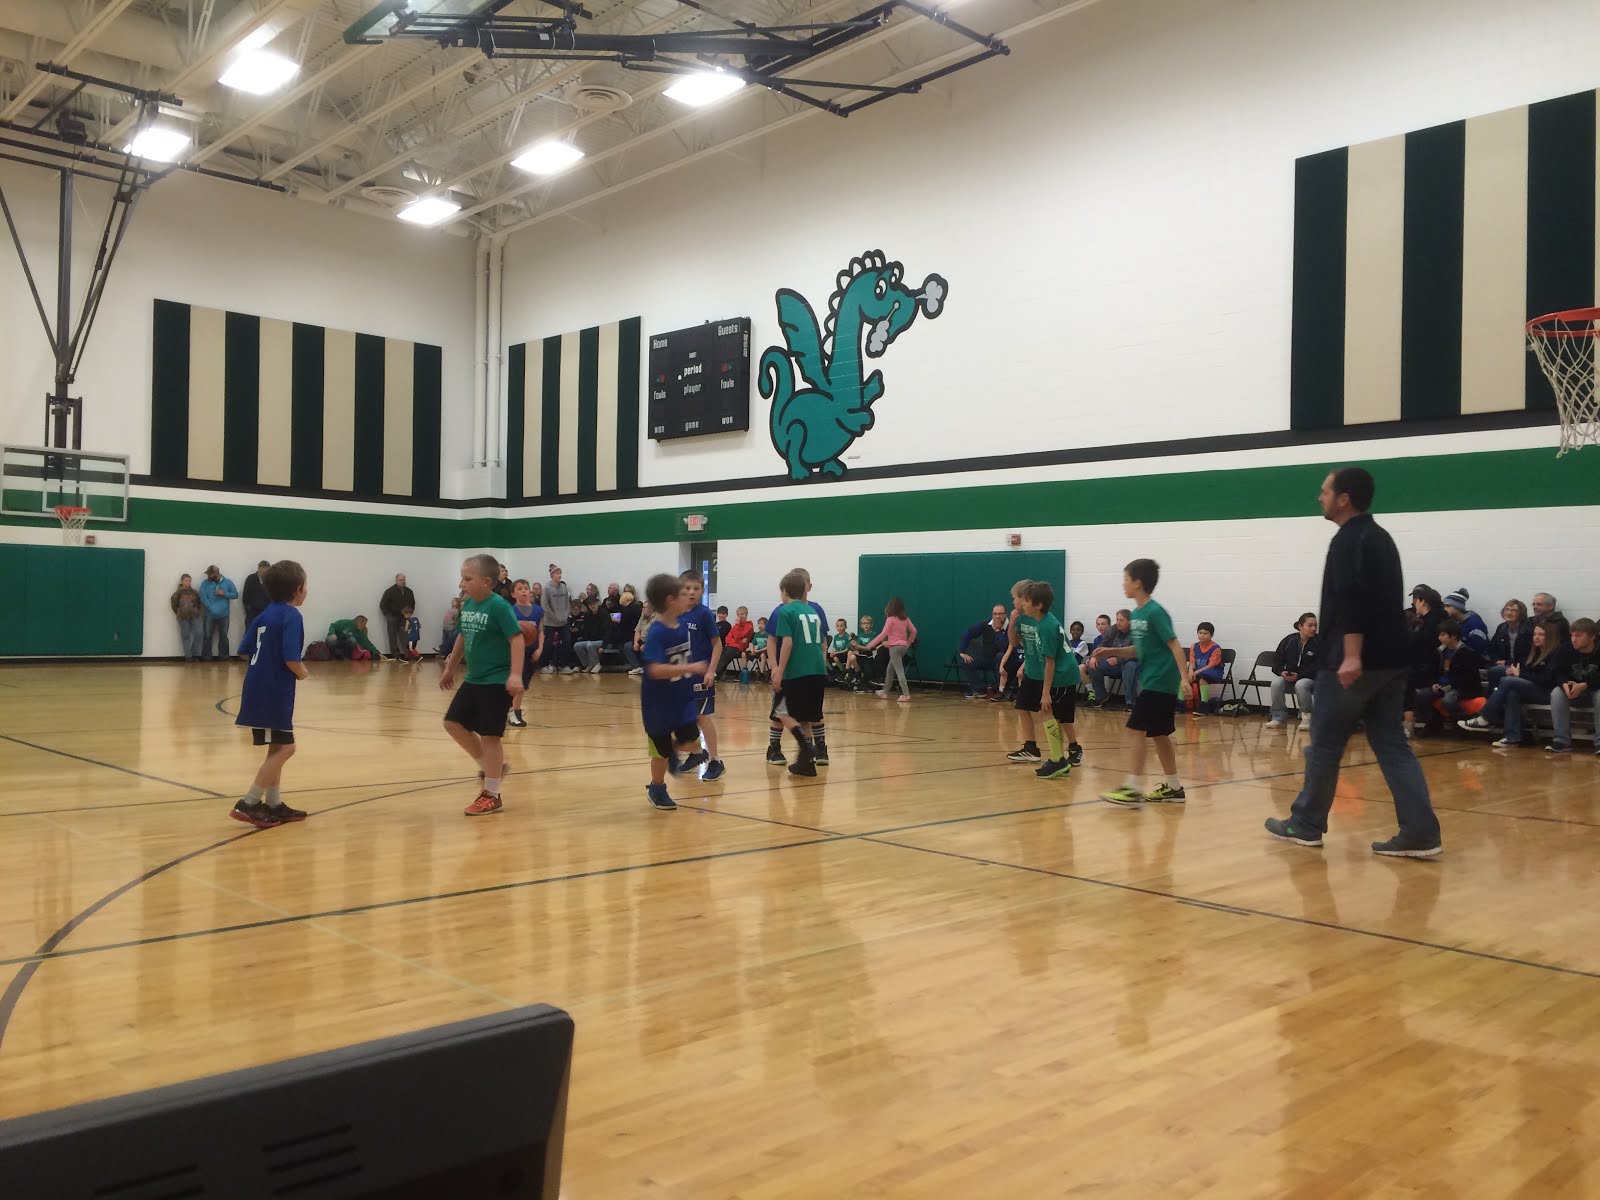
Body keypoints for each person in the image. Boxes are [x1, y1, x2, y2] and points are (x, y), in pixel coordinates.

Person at [1264, 467, 1442, 857]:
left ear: (1344, 498)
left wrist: (1351, 654)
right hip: (1392, 662)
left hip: (1354, 663)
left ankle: (1306, 823)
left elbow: (1353, 599)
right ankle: (1421, 832)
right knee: (1393, 745)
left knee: (1325, 747)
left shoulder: (1348, 540)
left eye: (1324, 491)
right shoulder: (1380, 537)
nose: (1319, 497)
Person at [1092, 560, 1190, 807]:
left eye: (1126, 579)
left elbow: (1175, 645)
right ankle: (1174, 788)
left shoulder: (1156, 612)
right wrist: (1112, 652)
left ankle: (1133, 788)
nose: (1123, 584)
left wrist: (1185, 679)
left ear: (1138, 583)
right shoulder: (1135, 615)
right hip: (1152, 680)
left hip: (1162, 680)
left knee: (1136, 729)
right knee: (1159, 734)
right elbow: (1140, 649)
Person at [440, 554, 525, 816]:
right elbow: (462, 638)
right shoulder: (468, 605)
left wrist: (515, 675)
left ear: (487, 582)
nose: (462, 583)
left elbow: (517, 639)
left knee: (490, 736)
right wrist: (450, 667)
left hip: (496, 680)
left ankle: (492, 794)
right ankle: (491, 768)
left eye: (468, 578)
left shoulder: (499, 606)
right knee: (452, 722)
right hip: (474, 678)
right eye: (462, 578)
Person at [229, 560, 310, 829]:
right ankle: (249, 802)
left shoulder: (263, 615)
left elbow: (244, 649)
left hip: (260, 687)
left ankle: (273, 804)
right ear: (298, 589)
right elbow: (291, 659)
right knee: (287, 747)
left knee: (277, 747)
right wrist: (303, 673)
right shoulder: (291, 616)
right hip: (272, 692)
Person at [639, 574, 710, 810]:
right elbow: (654, 670)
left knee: (691, 740)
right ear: (671, 600)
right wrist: (690, 667)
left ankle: (672, 752)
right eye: (682, 594)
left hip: (681, 699)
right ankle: (657, 788)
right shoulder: (658, 632)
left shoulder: (681, 626)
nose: (688, 597)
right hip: (658, 704)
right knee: (659, 753)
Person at [1007, 580, 1082, 778]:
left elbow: (1050, 662)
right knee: (1048, 715)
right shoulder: (1042, 622)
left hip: (1062, 676)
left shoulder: (1046, 627)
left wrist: (1045, 691)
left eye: (1026, 601)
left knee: (1048, 713)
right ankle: (1058, 760)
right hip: (1058, 675)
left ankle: (1059, 760)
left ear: (1037, 605)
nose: (1022, 604)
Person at [1459, 620, 1559, 747]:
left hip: (1548, 691)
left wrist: (1520, 675)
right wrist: (1515, 671)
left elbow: (1547, 680)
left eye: (1541, 634)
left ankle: (1485, 717)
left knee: (1508, 681)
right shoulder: (1535, 651)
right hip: (1533, 686)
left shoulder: (1555, 654)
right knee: (1509, 687)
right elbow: (1525, 667)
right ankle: (1512, 736)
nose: (1536, 637)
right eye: (1535, 634)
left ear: (1550, 637)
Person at [766, 568, 829, 766]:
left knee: (780, 711)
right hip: (818, 671)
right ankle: (807, 762)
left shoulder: (785, 610)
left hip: (796, 671)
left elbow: (787, 643)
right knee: (806, 717)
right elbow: (822, 643)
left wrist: (778, 670)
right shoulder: (813, 611)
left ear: (784, 591)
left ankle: (804, 746)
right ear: (804, 590)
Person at [680, 570, 726, 780]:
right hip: (681, 676)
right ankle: (697, 753)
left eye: (696, 589)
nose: (691, 593)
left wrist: (710, 670)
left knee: (701, 717)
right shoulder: (675, 613)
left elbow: (717, 645)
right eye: (687, 588)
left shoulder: (704, 614)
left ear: (702, 590)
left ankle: (716, 761)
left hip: (701, 675)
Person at [1413, 619, 1486, 737]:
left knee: (1449, 699)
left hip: (1463, 688)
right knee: (1421, 694)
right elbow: (1432, 671)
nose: (1439, 638)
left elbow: (1466, 679)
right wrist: (1434, 683)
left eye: (1442, 635)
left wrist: (1445, 687)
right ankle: (1434, 722)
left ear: (1453, 636)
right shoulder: (1439, 652)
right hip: (1444, 686)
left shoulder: (1467, 653)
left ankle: (1461, 724)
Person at [1545, 618, 1600, 755]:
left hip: (1594, 690)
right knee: (1557, 693)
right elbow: (1557, 672)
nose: (1574, 639)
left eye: (1579, 635)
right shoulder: (1566, 648)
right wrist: (1564, 684)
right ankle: (1561, 741)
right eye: (1572, 635)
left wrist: (1585, 685)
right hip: (1573, 691)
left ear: (1592, 637)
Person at [1403, 585, 1444, 738]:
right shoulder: (1430, 620)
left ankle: (1408, 726)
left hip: (1429, 669)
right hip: (1422, 665)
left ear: (1422, 601)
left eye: (1415, 600)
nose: (1413, 604)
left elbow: (1424, 647)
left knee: (1405, 680)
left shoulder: (1431, 623)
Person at [1268, 612, 1320, 729]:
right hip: (1291, 677)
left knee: (1301, 684)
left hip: (1313, 679)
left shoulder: (1320, 642)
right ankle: (1278, 717)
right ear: (1300, 626)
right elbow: (1277, 661)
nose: (1313, 628)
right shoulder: (1289, 640)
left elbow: (1319, 666)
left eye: (1315, 626)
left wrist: (1300, 675)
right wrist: (1282, 672)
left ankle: (1306, 718)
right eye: (1310, 625)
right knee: (1276, 683)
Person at [863, 596, 918, 703]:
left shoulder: (890, 619)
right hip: (903, 647)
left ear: (890, 607)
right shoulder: (905, 619)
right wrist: (908, 643)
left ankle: (906, 695)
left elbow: (884, 633)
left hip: (895, 648)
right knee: (890, 669)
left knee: (899, 671)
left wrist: (871, 644)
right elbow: (914, 631)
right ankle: (884, 692)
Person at [507, 580, 545, 729]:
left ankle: (512, 710)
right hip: (515, 652)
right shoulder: (510, 610)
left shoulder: (538, 610)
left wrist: (540, 648)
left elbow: (541, 631)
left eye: (526, 588)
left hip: (532, 651)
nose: (524, 591)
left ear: (530, 592)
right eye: (519, 588)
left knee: (524, 685)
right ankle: (514, 713)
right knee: (519, 685)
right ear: (513, 593)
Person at [1087, 610, 1137, 710]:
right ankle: (1101, 697)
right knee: (1092, 665)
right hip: (1113, 663)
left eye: (1121, 620)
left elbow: (1137, 652)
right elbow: (1103, 644)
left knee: (1130, 666)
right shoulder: (1113, 629)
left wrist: (1118, 660)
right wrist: (1094, 657)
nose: (1118, 622)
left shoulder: (1136, 632)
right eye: (1117, 619)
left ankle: (1129, 701)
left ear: (1130, 621)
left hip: (1130, 661)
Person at [959, 604, 1009, 700]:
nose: (997, 617)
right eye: (995, 614)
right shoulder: (985, 624)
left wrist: (998, 631)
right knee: (967, 663)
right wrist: (962, 652)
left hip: (1005, 660)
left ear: (1005, 615)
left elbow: (1004, 646)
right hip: (986, 658)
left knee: (1000, 656)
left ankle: (1001, 690)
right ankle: (980, 690)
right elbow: (968, 633)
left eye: (1000, 614)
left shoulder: (1010, 626)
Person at [1487, 599, 1532, 689]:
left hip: (1522, 667)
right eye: (1507, 609)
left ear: (1521, 614)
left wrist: (1507, 663)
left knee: (1494, 671)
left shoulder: (1528, 631)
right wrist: (1496, 661)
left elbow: (1529, 656)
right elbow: (1492, 649)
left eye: (1514, 610)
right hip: (1503, 665)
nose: (1509, 613)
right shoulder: (1501, 628)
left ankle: (1491, 697)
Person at [199, 565, 237, 661]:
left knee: (223, 635)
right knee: (207, 635)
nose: (208, 576)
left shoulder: (228, 582)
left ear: (216, 574)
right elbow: (203, 597)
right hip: (209, 615)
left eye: (210, 574)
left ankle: (224, 656)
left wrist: (224, 594)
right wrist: (210, 608)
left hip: (224, 615)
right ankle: (206, 657)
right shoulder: (204, 584)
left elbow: (235, 594)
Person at [541, 565, 574, 673]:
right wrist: (554, 616)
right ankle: (544, 665)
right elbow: (545, 605)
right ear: (552, 575)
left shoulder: (564, 587)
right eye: (557, 573)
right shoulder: (547, 588)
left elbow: (567, 603)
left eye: (560, 573)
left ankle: (563, 665)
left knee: (566, 641)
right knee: (548, 643)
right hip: (550, 621)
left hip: (563, 621)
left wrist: (565, 615)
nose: (559, 575)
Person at [1186, 623, 1225, 714]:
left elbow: (1211, 665)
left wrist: (1197, 672)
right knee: (1184, 676)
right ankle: (1180, 704)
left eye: (1205, 633)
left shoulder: (1216, 648)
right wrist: (1191, 671)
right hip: (1198, 671)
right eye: (1200, 633)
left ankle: (1204, 706)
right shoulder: (1194, 646)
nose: (1202, 635)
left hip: (1214, 671)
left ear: (1211, 635)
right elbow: (1192, 662)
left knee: (1202, 676)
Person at [1441, 589, 1490, 659]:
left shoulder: (1474, 624)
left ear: (1458, 607)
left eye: (1448, 606)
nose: (1445, 609)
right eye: (1444, 606)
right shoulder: (1455, 621)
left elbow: (1476, 650)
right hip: (1461, 658)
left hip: (1477, 661)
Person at [379, 573, 416, 660]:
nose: (402, 581)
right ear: (396, 581)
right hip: (393, 617)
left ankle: (407, 654)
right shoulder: (389, 591)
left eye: (403, 580)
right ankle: (396, 655)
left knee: (405, 635)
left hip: (404, 618)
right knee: (392, 636)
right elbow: (383, 605)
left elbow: (413, 604)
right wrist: (388, 615)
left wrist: (409, 614)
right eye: (400, 580)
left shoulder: (409, 592)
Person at [171, 573, 203, 661]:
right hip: (183, 617)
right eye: (186, 580)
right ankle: (188, 656)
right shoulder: (177, 593)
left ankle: (195, 654)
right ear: (182, 581)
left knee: (199, 633)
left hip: (195, 616)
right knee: (185, 636)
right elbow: (174, 605)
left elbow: (199, 603)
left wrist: (197, 612)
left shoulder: (195, 593)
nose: (188, 582)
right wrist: (179, 613)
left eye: (189, 580)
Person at [574, 597, 611, 673]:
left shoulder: (604, 614)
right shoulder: (588, 615)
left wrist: (603, 646)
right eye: (590, 605)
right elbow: (586, 631)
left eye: (593, 604)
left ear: (597, 603)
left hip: (604, 641)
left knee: (589, 645)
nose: (592, 606)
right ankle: (588, 664)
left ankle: (596, 664)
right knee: (577, 645)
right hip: (591, 640)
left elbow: (608, 631)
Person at [719, 606, 754, 677]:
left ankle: (716, 673)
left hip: (740, 648)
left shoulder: (749, 626)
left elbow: (737, 636)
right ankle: (718, 674)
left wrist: (737, 625)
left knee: (728, 653)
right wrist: (736, 641)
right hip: (732, 647)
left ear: (746, 614)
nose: (740, 616)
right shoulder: (735, 626)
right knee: (720, 651)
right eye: (738, 614)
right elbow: (727, 639)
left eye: (742, 614)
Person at [627, 597, 654, 675]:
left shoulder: (656, 617)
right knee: (628, 646)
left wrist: (646, 644)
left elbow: (654, 634)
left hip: (650, 640)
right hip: (641, 639)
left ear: (651, 608)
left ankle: (647, 667)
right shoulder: (643, 615)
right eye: (643, 607)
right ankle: (637, 667)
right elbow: (637, 630)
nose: (643, 609)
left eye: (645, 607)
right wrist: (635, 642)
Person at [241, 560, 271, 627]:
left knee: (265, 635)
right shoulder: (250, 579)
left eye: (266, 572)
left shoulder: (271, 580)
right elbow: (245, 595)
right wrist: (248, 609)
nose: (264, 574)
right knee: (250, 634)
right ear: (258, 569)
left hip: (267, 612)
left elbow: (274, 595)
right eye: (262, 572)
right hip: (252, 613)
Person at [826, 617, 854, 684]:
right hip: (838, 653)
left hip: (844, 654)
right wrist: (833, 652)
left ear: (845, 627)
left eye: (841, 626)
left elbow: (847, 649)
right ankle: (832, 671)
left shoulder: (847, 636)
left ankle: (843, 671)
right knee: (825, 657)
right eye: (838, 626)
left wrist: (836, 653)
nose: (839, 627)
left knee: (835, 658)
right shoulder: (836, 636)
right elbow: (834, 647)